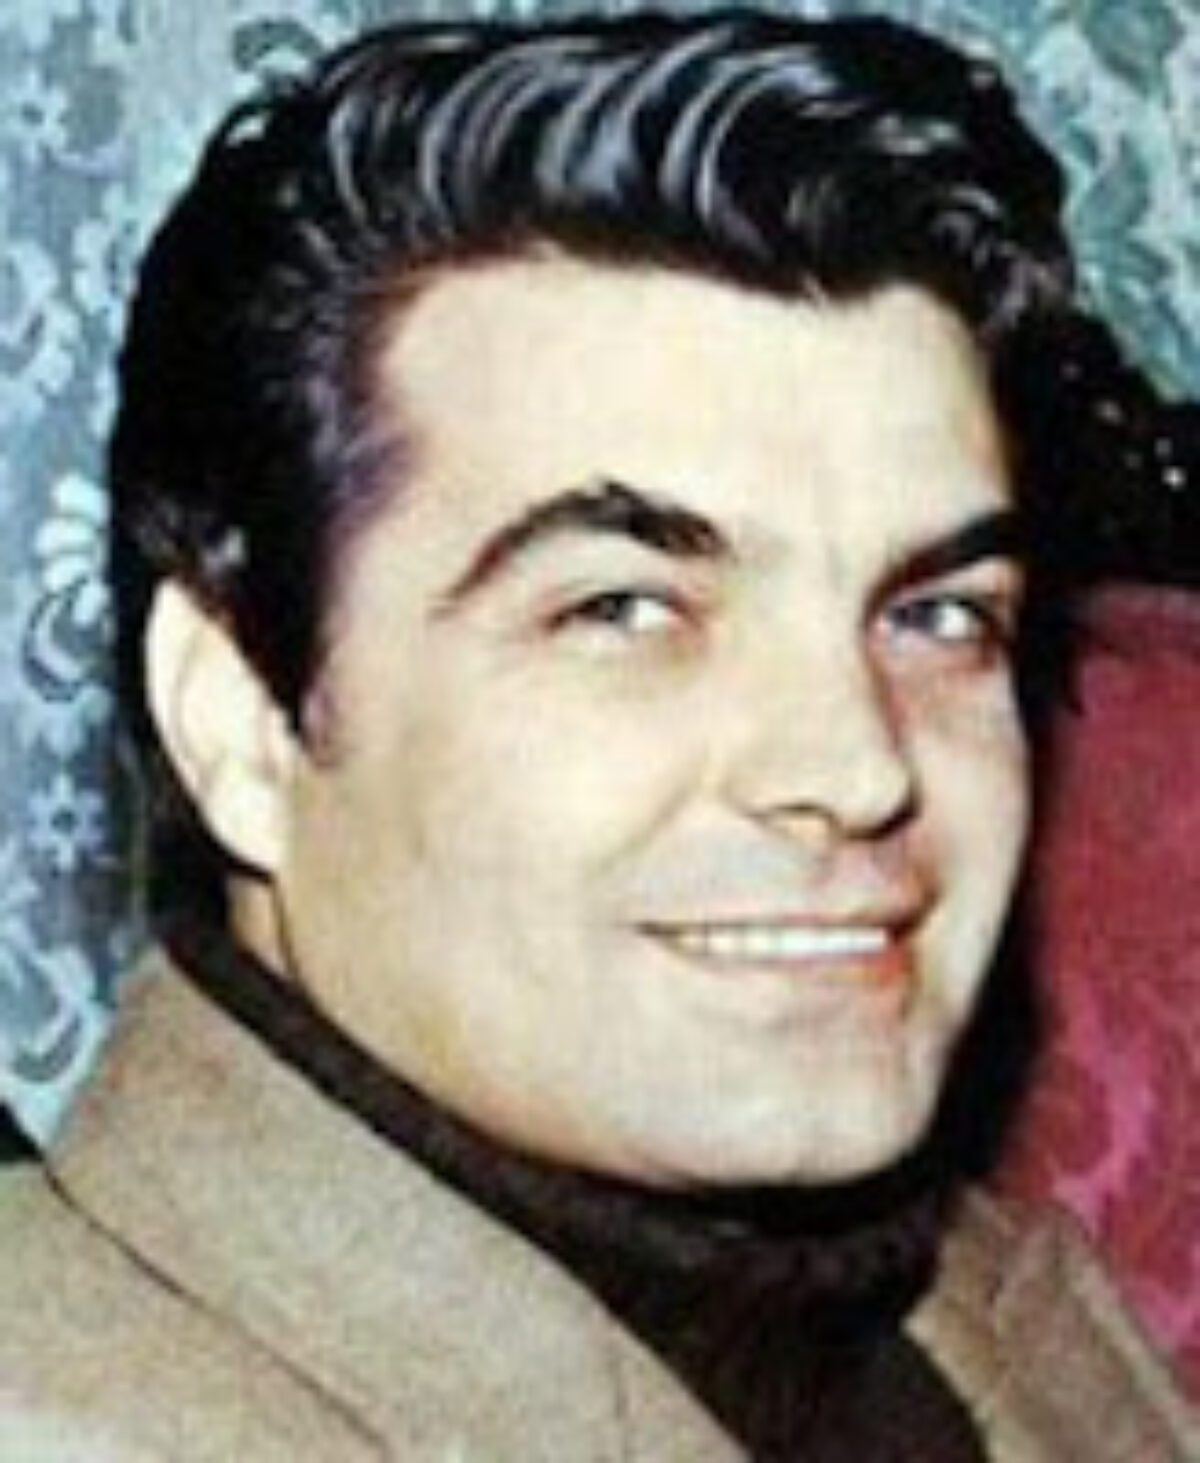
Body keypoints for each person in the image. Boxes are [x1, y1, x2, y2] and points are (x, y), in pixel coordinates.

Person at [0, 12, 1194, 1459]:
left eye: (936, 614)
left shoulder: (1009, 1325)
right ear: (242, 717)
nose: (858, 766)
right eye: (626, 611)